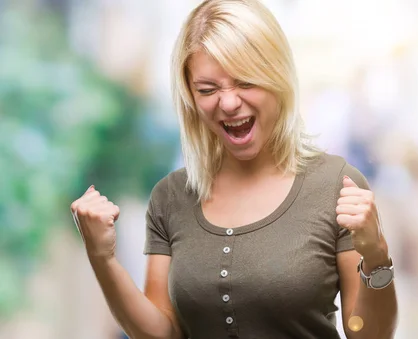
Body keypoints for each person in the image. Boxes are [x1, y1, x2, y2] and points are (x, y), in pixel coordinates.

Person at [69, 1, 397, 338]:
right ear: (190, 97)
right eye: (207, 90)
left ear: (277, 76)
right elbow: (163, 334)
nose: (227, 103)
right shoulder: (170, 198)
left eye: (245, 82)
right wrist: (102, 258)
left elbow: (366, 334)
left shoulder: (336, 186)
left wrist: (375, 256)